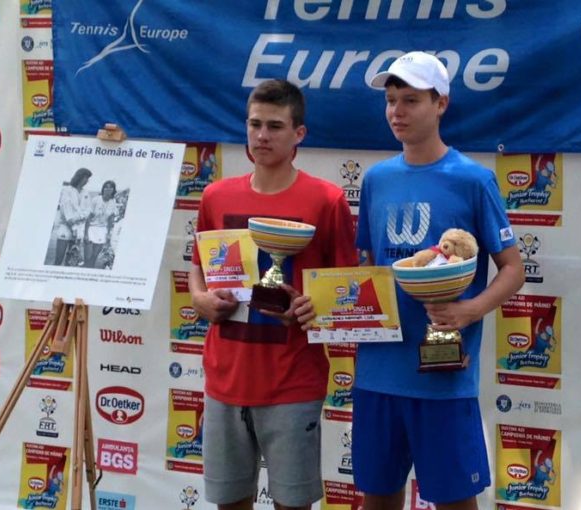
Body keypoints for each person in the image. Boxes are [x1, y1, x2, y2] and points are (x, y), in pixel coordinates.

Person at [353, 51, 525, 510]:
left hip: (444, 375)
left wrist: (469, 310)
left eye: (410, 100)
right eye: (390, 101)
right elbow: (368, 269)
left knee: (454, 503)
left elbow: (513, 269)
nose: (397, 112)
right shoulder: (376, 179)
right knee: (377, 500)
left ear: (441, 103)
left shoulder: (473, 179)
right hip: (378, 372)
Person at [188, 79, 357, 510]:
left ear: (299, 133)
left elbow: (347, 292)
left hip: (292, 382)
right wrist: (200, 299)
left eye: (275, 126)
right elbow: (198, 270)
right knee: (229, 503)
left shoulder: (327, 200)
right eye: (255, 124)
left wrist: (311, 307)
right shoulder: (215, 195)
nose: (262, 136)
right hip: (225, 378)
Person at [52, 167, 92, 266]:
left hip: (78, 230)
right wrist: (74, 227)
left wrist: (80, 219)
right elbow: (66, 212)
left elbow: (88, 211)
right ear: (80, 177)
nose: (87, 181)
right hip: (66, 228)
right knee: (59, 258)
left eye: (88, 179)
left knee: (71, 260)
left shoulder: (86, 193)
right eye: (86, 178)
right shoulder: (67, 190)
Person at [84, 180, 119, 268]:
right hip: (91, 228)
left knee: (94, 256)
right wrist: (86, 234)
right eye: (106, 187)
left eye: (111, 187)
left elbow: (110, 220)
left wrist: (108, 234)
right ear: (103, 189)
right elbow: (88, 218)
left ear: (113, 190)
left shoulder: (113, 202)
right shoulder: (96, 199)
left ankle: (90, 271)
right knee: (87, 257)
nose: (108, 189)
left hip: (102, 230)